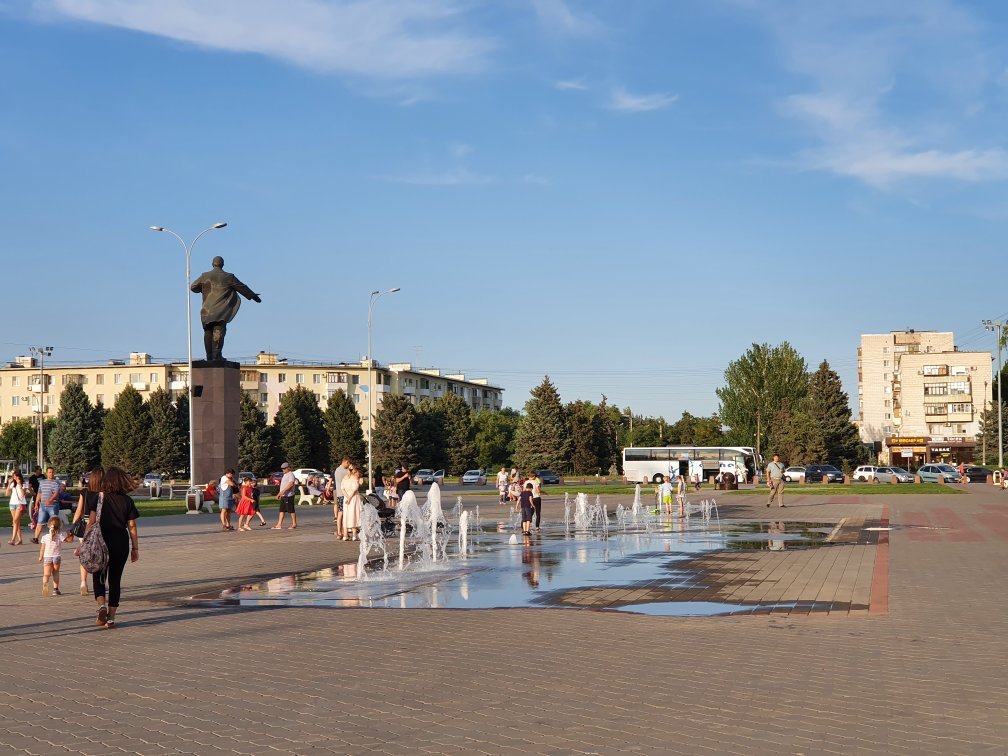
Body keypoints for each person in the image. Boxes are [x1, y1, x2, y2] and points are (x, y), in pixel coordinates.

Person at [85, 466, 140, 629]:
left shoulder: (99, 498)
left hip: (101, 543)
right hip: (120, 543)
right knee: (115, 580)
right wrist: (135, 548)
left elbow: (92, 522)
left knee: (98, 576)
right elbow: (132, 526)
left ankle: (101, 605)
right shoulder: (127, 501)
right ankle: (111, 618)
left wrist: (84, 543)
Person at [189, 255, 262, 361]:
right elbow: (242, 287)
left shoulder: (205, 276)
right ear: (222, 264)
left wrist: (205, 289)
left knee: (208, 332)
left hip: (206, 311)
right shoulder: (229, 277)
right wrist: (253, 296)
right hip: (221, 310)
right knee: (219, 331)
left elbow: (193, 287)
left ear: (212, 264)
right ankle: (216, 356)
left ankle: (209, 357)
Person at [71, 468, 103, 595]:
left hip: (85, 527)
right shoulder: (103, 493)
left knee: (85, 554)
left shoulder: (85, 492)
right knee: (99, 555)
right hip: (100, 526)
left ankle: (83, 582)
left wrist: (73, 529)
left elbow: (78, 511)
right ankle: (99, 581)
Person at [38, 516, 73, 596]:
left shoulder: (44, 537)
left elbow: (42, 549)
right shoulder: (60, 536)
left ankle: (45, 586)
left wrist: (40, 557)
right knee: (56, 573)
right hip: (56, 557)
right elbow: (70, 541)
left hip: (47, 557)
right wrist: (70, 534)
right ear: (59, 526)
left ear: (48, 525)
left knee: (46, 574)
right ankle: (55, 590)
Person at [32, 467, 61, 544]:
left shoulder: (56, 482)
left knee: (54, 522)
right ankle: (36, 538)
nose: (51, 474)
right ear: (47, 473)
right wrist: (36, 503)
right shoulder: (42, 482)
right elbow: (39, 493)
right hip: (43, 506)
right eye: (49, 472)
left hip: (53, 506)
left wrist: (50, 500)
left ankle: (54, 538)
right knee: (40, 522)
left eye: (52, 472)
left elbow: (56, 493)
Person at [273, 462, 298, 529]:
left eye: (284, 469)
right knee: (282, 510)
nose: (283, 470)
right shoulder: (285, 475)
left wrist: (282, 492)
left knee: (291, 510)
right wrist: (280, 493)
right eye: (282, 469)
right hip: (284, 495)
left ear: (288, 468)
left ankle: (294, 524)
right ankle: (279, 524)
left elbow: (291, 484)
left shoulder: (290, 474)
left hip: (289, 495)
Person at [341, 466, 362, 541]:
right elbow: (354, 490)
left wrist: (347, 497)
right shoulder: (354, 479)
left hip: (346, 498)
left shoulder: (344, 478)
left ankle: (345, 535)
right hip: (353, 498)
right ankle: (354, 535)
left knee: (346, 515)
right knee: (354, 515)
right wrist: (350, 498)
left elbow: (342, 489)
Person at [7, 469, 27, 545]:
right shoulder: (13, 483)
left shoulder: (24, 483)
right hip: (12, 503)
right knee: (17, 522)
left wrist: (20, 485)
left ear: (18, 475)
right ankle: (20, 540)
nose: (13, 477)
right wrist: (9, 484)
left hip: (20, 503)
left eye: (14, 475)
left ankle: (13, 539)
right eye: (13, 475)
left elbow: (23, 494)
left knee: (15, 521)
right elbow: (7, 494)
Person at [332, 457, 350, 523]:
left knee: (341, 510)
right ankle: (342, 528)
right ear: (346, 462)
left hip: (340, 493)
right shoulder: (343, 471)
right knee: (342, 511)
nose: (348, 466)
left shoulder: (337, 470)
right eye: (348, 464)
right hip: (343, 493)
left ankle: (341, 527)